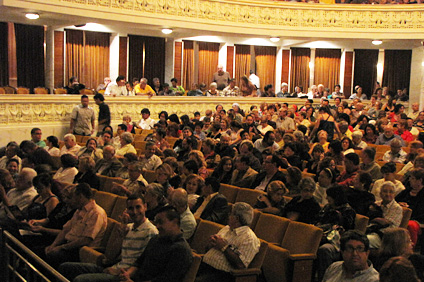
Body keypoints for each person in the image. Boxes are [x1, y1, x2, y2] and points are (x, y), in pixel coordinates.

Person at [58, 195, 159, 282]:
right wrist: (121, 236)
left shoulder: (151, 231)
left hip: (123, 275)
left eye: (138, 207)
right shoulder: (128, 227)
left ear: (145, 207)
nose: (135, 211)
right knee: (65, 267)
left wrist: (118, 271)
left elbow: (144, 264)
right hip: (113, 267)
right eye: (131, 208)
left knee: (80, 280)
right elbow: (110, 257)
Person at [119, 206, 193, 282]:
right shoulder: (156, 239)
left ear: (174, 222)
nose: (157, 226)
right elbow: (139, 262)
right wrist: (128, 274)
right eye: (156, 222)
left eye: (161, 222)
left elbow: (166, 280)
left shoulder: (181, 249)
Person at [45, 183, 107, 268]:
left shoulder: (96, 213)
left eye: (73, 197)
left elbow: (86, 240)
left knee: (51, 256)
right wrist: (53, 245)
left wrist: (61, 247)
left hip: (81, 251)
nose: (71, 200)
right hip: (69, 246)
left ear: (80, 197)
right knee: (42, 249)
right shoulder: (79, 210)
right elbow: (65, 230)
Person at [197, 202, 260, 282]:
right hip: (204, 265)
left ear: (236, 218)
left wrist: (224, 247)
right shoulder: (226, 229)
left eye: (231, 214)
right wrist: (212, 243)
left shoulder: (249, 239)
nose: (228, 216)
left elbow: (240, 266)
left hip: (222, 275)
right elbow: (207, 249)